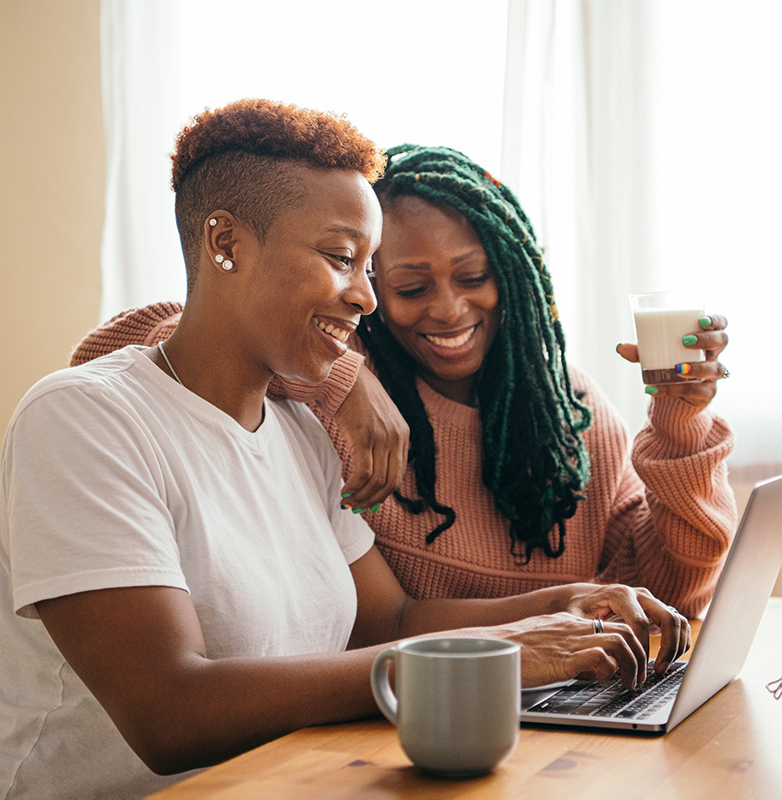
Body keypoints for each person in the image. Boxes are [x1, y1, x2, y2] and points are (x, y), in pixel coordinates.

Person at [0, 100, 689, 800]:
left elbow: (390, 621)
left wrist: (565, 602)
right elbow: (172, 713)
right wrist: (501, 654)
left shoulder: (302, 431)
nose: (368, 299)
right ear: (224, 242)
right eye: (343, 259)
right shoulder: (81, 419)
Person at [73, 145, 737, 622]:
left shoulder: (570, 414)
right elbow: (120, 350)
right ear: (370, 288)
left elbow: (668, 596)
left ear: (515, 278)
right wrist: (343, 377)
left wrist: (681, 423)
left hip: (549, 709)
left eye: (473, 277)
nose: (448, 310)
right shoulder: (326, 376)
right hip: (387, 710)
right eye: (411, 287)